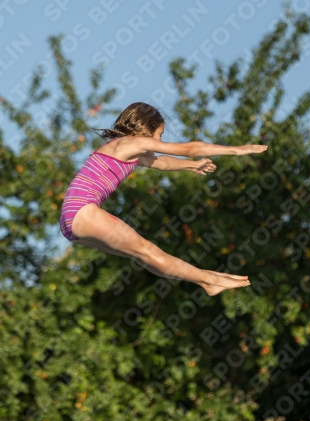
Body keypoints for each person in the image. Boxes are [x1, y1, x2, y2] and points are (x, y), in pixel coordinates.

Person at [59, 102, 268, 296]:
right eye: (159, 135)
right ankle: (210, 279)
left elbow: (162, 162)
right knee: (146, 250)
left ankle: (204, 280)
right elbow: (190, 148)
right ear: (146, 129)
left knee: (142, 255)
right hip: (82, 210)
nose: (158, 141)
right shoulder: (132, 142)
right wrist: (236, 150)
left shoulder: (125, 148)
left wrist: (191, 166)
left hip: (71, 221)